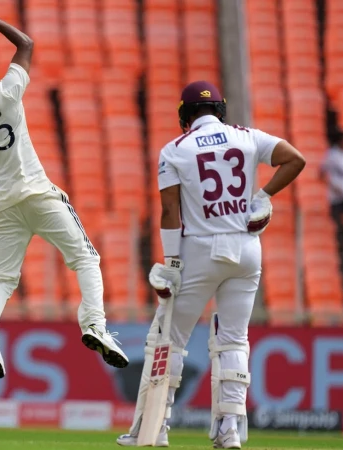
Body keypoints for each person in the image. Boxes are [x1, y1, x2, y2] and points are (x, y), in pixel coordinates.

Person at [0, 8, 128, 379]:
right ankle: (94, 325)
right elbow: (26, 44)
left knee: (3, 278)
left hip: (0, 209)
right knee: (85, 259)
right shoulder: (6, 94)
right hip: (37, 194)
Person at [117, 81, 305, 448]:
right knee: (233, 339)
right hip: (246, 249)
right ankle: (229, 430)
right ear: (220, 109)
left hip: (199, 250)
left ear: (185, 114)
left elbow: (169, 211)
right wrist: (262, 196)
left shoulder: (175, 149)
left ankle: (152, 428)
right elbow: (295, 159)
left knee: (167, 339)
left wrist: (171, 261)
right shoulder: (247, 136)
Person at [320, 130, 343, 315]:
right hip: (336, 198)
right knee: (339, 227)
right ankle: (340, 242)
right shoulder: (331, 156)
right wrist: (333, 187)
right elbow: (321, 174)